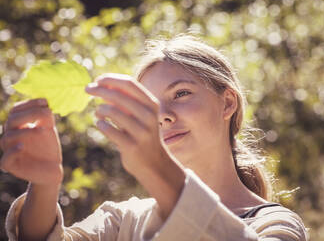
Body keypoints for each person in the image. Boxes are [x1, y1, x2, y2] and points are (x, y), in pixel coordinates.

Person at [1, 34, 308, 241]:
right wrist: (45, 182)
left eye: (181, 93)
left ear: (227, 102)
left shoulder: (276, 225)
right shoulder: (124, 220)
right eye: (149, 102)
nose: (163, 114)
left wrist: (155, 165)